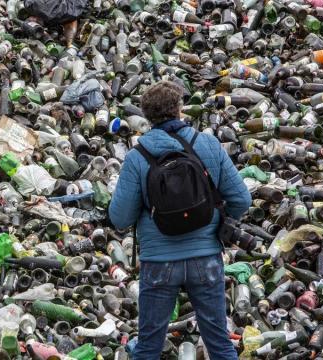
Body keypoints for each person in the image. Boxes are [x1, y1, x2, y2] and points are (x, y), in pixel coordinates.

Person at [109, 81, 251, 360]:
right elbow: (242, 200)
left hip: (159, 264)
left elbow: (120, 218)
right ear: (179, 109)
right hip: (206, 258)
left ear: (147, 116)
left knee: (148, 346)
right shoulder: (207, 144)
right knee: (220, 344)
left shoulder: (138, 156)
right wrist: (219, 221)